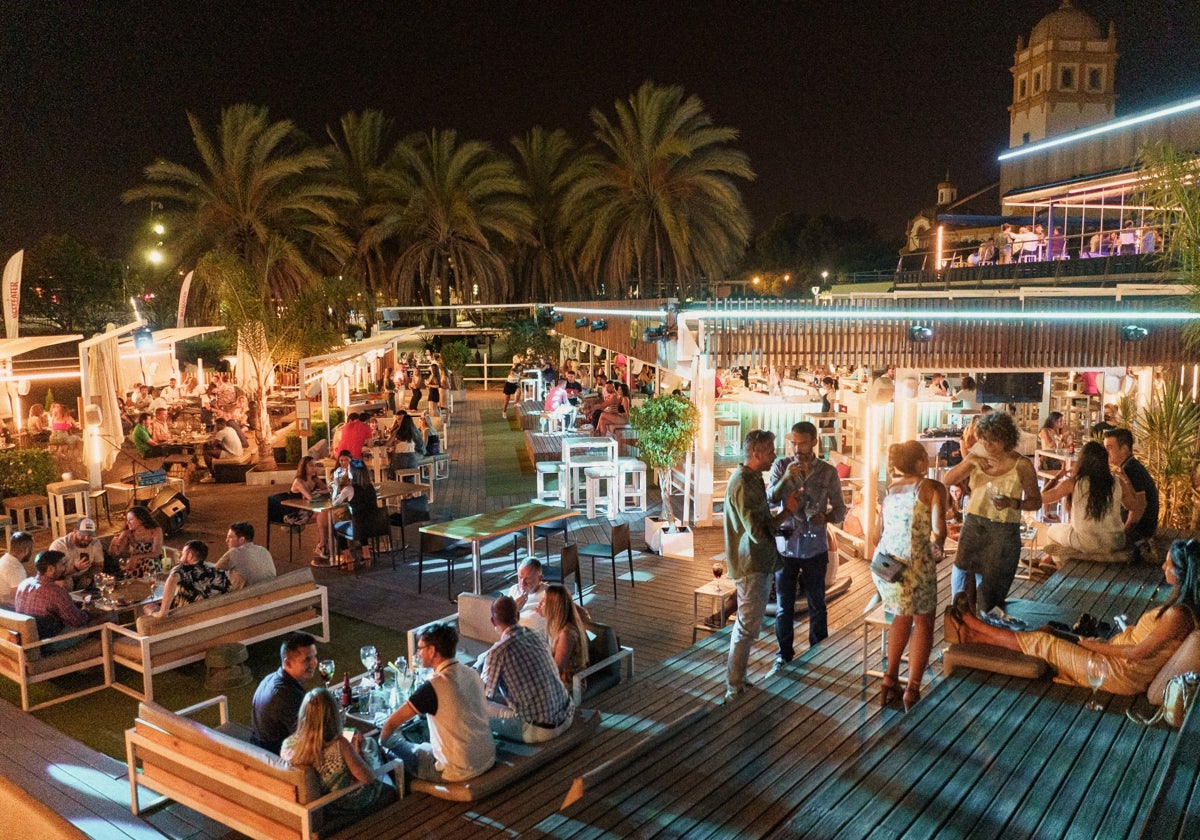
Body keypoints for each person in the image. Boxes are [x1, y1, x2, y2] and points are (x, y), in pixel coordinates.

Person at [947, 539, 1200, 696]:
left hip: (1116, 672)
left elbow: (1137, 654)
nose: (1162, 568)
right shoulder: (1181, 609)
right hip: (1116, 658)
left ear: (1182, 574)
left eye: (1168, 565)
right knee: (1048, 631)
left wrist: (1093, 645)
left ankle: (973, 624)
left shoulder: (1178, 615)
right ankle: (971, 633)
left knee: (1044, 643)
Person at [723, 429, 801, 702]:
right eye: (770, 450)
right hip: (752, 563)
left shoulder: (751, 479)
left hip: (757, 561)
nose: (774, 454)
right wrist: (787, 513)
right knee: (746, 628)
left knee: (748, 626)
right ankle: (734, 688)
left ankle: (740, 680)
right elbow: (757, 530)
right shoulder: (744, 483)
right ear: (755, 453)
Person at [870, 442, 948, 711]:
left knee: (900, 618)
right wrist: (936, 547)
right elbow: (939, 531)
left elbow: (876, 535)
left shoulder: (890, 491)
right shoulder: (931, 488)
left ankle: (889, 681)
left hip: (887, 567)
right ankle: (912, 690)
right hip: (916, 565)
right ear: (919, 463)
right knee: (923, 622)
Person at [943, 412, 1041, 618]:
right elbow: (948, 479)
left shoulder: (1022, 465)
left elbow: (1036, 501)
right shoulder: (976, 457)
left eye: (994, 440)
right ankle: (958, 623)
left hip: (1003, 531)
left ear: (1007, 440)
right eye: (984, 439)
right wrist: (970, 463)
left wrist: (1012, 503)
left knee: (992, 589)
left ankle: (986, 629)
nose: (988, 445)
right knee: (961, 576)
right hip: (974, 523)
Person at [766, 421, 847, 673]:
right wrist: (786, 479)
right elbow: (770, 498)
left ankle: (818, 652)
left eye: (802, 442)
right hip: (786, 545)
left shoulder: (827, 472)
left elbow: (841, 509)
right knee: (784, 606)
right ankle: (783, 655)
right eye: (793, 442)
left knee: (817, 604)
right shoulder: (781, 466)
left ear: (814, 441)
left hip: (815, 546)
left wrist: (828, 518)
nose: (797, 448)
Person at [380, 622, 495, 782]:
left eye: (420, 648)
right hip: (486, 757)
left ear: (432, 650)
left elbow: (391, 723)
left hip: (458, 770)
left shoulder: (433, 687)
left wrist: (382, 742)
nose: (417, 653)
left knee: (390, 748)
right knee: (423, 742)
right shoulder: (471, 673)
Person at [477, 596, 575, 743]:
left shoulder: (498, 652)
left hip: (540, 730)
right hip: (567, 716)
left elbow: (483, 694)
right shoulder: (536, 635)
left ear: (493, 621)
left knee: (476, 706)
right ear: (517, 616)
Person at [281, 688, 392, 818]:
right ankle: (395, 790)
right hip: (345, 802)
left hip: (320, 803)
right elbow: (367, 778)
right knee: (371, 744)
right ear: (332, 716)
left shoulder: (288, 744)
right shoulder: (340, 745)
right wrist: (357, 751)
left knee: (364, 742)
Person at [1040, 441, 1143, 556]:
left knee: (1051, 532)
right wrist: (1126, 480)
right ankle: (1049, 563)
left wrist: (1057, 476)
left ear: (1082, 461)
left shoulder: (1074, 483)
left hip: (1086, 543)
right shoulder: (1117, 482)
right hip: (1116, 542)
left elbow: (1041, 498)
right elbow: (1134, 506)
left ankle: (1061, 569)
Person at [251, 631, 320, 754]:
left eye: (315, 656)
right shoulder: (286, 695)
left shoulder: (270, 679)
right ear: (288, 662)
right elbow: (308, 738)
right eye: (307, 659)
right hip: (277, 756)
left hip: (259, 745)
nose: (314, 663)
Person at [14, 551, 93, 651]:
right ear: (50, 569)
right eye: (63, 565)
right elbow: (77, 621)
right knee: (99, 620)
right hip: (47, 643)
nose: (65, 568)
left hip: (27, 641)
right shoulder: (55, 591)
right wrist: (87, 610)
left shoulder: (23, 584)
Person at [1103, 428, 1160, 550]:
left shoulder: (1130, 470)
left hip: (1139, 532)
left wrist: (1124, 534)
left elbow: (1139, 507)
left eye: (1109, 447)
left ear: (1124, 449)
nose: (1105, 452)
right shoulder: (1129, 466)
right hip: (1143, 529)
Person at [144, 540, 231, 619]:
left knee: (148, 607)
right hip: (213, 616)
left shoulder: (181, 569)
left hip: (187, 618)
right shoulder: (217, 571)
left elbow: (173, 577)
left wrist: (159, 613)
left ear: (190, 555)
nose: (180, 555)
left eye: (183, 553)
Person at [539, 583, 589, 689]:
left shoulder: (566, 634)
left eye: (543, 601)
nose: (540, 604)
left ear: (553, 606)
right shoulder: (555, 626)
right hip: (558, 679)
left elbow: (556, 668)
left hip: (570, 684)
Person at [215, 521, 277, 589]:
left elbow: (211, 572)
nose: (226, 540)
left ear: (242, 540)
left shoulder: (235, 552)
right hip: (271, 591)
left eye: (230, 537)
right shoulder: (264, 550)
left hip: (247, 596)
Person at [108, 505, 164, 579]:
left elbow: (156, 553)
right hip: (135, 563)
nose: (128, 523)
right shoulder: (127, 533)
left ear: (141, 519)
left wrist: (136, 557)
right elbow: (115, 553)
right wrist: (112, 545)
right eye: (127, 520)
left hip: (152, 560)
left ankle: (152, 583)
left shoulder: (155, 530)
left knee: (150, 562)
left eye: (131, 520)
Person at [291, 456, 331, 558]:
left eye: (315, 465)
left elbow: (329, 490)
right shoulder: (299, 481)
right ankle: (322, 545)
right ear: (303, 467)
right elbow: (310, 497)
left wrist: (321, 491)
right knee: (323, 513)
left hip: (311, 509)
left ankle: (322, 544)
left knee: (326, 513)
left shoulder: (315, 480)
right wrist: (321, 492)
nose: (314, 468)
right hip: (297, 512)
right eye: (311, 465)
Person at [49, 518, 103, 591]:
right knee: (67, 583)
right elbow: (53, 574)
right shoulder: (59, 546)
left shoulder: (95, 543)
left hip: (84, 576)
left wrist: (89, 576)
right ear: (74, 531)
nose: (86, 538)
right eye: (83, 534)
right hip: (63, 577)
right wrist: (75, 568)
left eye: (90, 535)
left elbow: (99, 565)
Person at [508, 558, 548, 635]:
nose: (522, 583)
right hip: (516, 636)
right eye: (520, 577)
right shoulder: (514, 590)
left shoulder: (548, 593)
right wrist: (514, 610)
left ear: (540, 578)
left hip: (537, 638)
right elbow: (504, 622)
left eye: (528, 579)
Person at [0, 531, 34, 607]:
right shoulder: (15, 569)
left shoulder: (4, 560)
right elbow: (20, 597)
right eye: (31, 549)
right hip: (10, 612)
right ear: (26, 550)